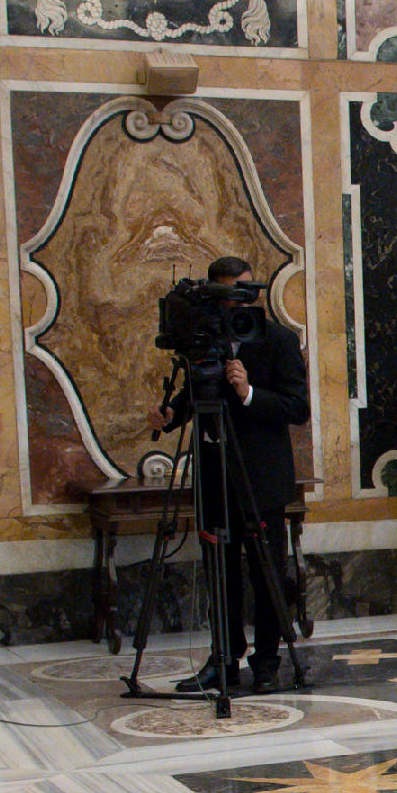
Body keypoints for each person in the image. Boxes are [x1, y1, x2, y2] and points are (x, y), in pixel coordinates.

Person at [150, 255, 307, 695]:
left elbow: (297, 407)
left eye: (242, 292)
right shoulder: (204, 340)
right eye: (227, 294)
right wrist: (171, 415)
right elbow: (195, 392)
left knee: (267, 574)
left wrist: (248, 391)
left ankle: (267, 662)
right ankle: (223, 659)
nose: (236, 303)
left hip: (261, 479)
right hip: (215, 476)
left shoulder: (277, 339)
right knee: (221, 574)